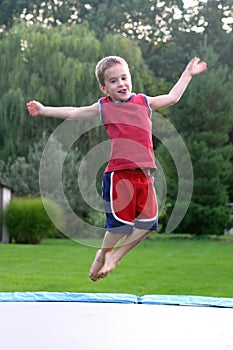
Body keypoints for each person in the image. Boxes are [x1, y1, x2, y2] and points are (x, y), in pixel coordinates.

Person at [27, 55, 207, 281]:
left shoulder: (143, 102)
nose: (121, 84)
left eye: (124, 78)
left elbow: (172, 97)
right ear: (104, 88)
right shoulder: (105, 107)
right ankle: (103, 254)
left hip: (145, 176)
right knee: (119, 227)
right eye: (113, 81)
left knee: (148, 224)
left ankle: (116, 256)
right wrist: (45, 110)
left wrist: (188, 74)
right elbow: (75, 111)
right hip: (119, 175)